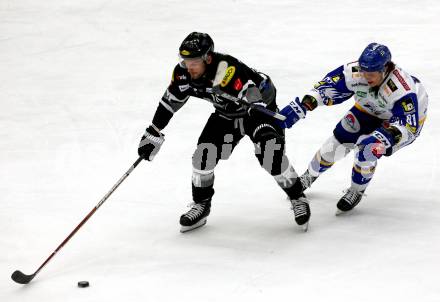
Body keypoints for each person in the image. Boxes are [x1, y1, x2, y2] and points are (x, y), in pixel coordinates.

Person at [138, 32, 310, 232]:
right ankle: (201, 205)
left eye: (194, 61)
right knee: (203, 155)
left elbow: (252, 91)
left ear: (207, 58)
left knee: (270, 154)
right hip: (226, 114)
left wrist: (255, 105)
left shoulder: (225, 69)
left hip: (257, 109)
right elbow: (170, 102)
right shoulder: (182, 73)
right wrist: (154, 130)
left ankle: (297, 196)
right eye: (185, 60)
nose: (189, 66)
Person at [278, 43, 428, 214]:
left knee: (367, 150)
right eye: (363, 71)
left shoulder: (402, 89)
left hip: (398, 122)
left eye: (371, 74)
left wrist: (387, 138)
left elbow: (408, 125)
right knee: (337, 142)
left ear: (384, 69)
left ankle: (357, 190)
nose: (365, 77)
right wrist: (303, 105)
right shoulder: (356, 71)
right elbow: (327, 87)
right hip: (369, 107)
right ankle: (309, 175)